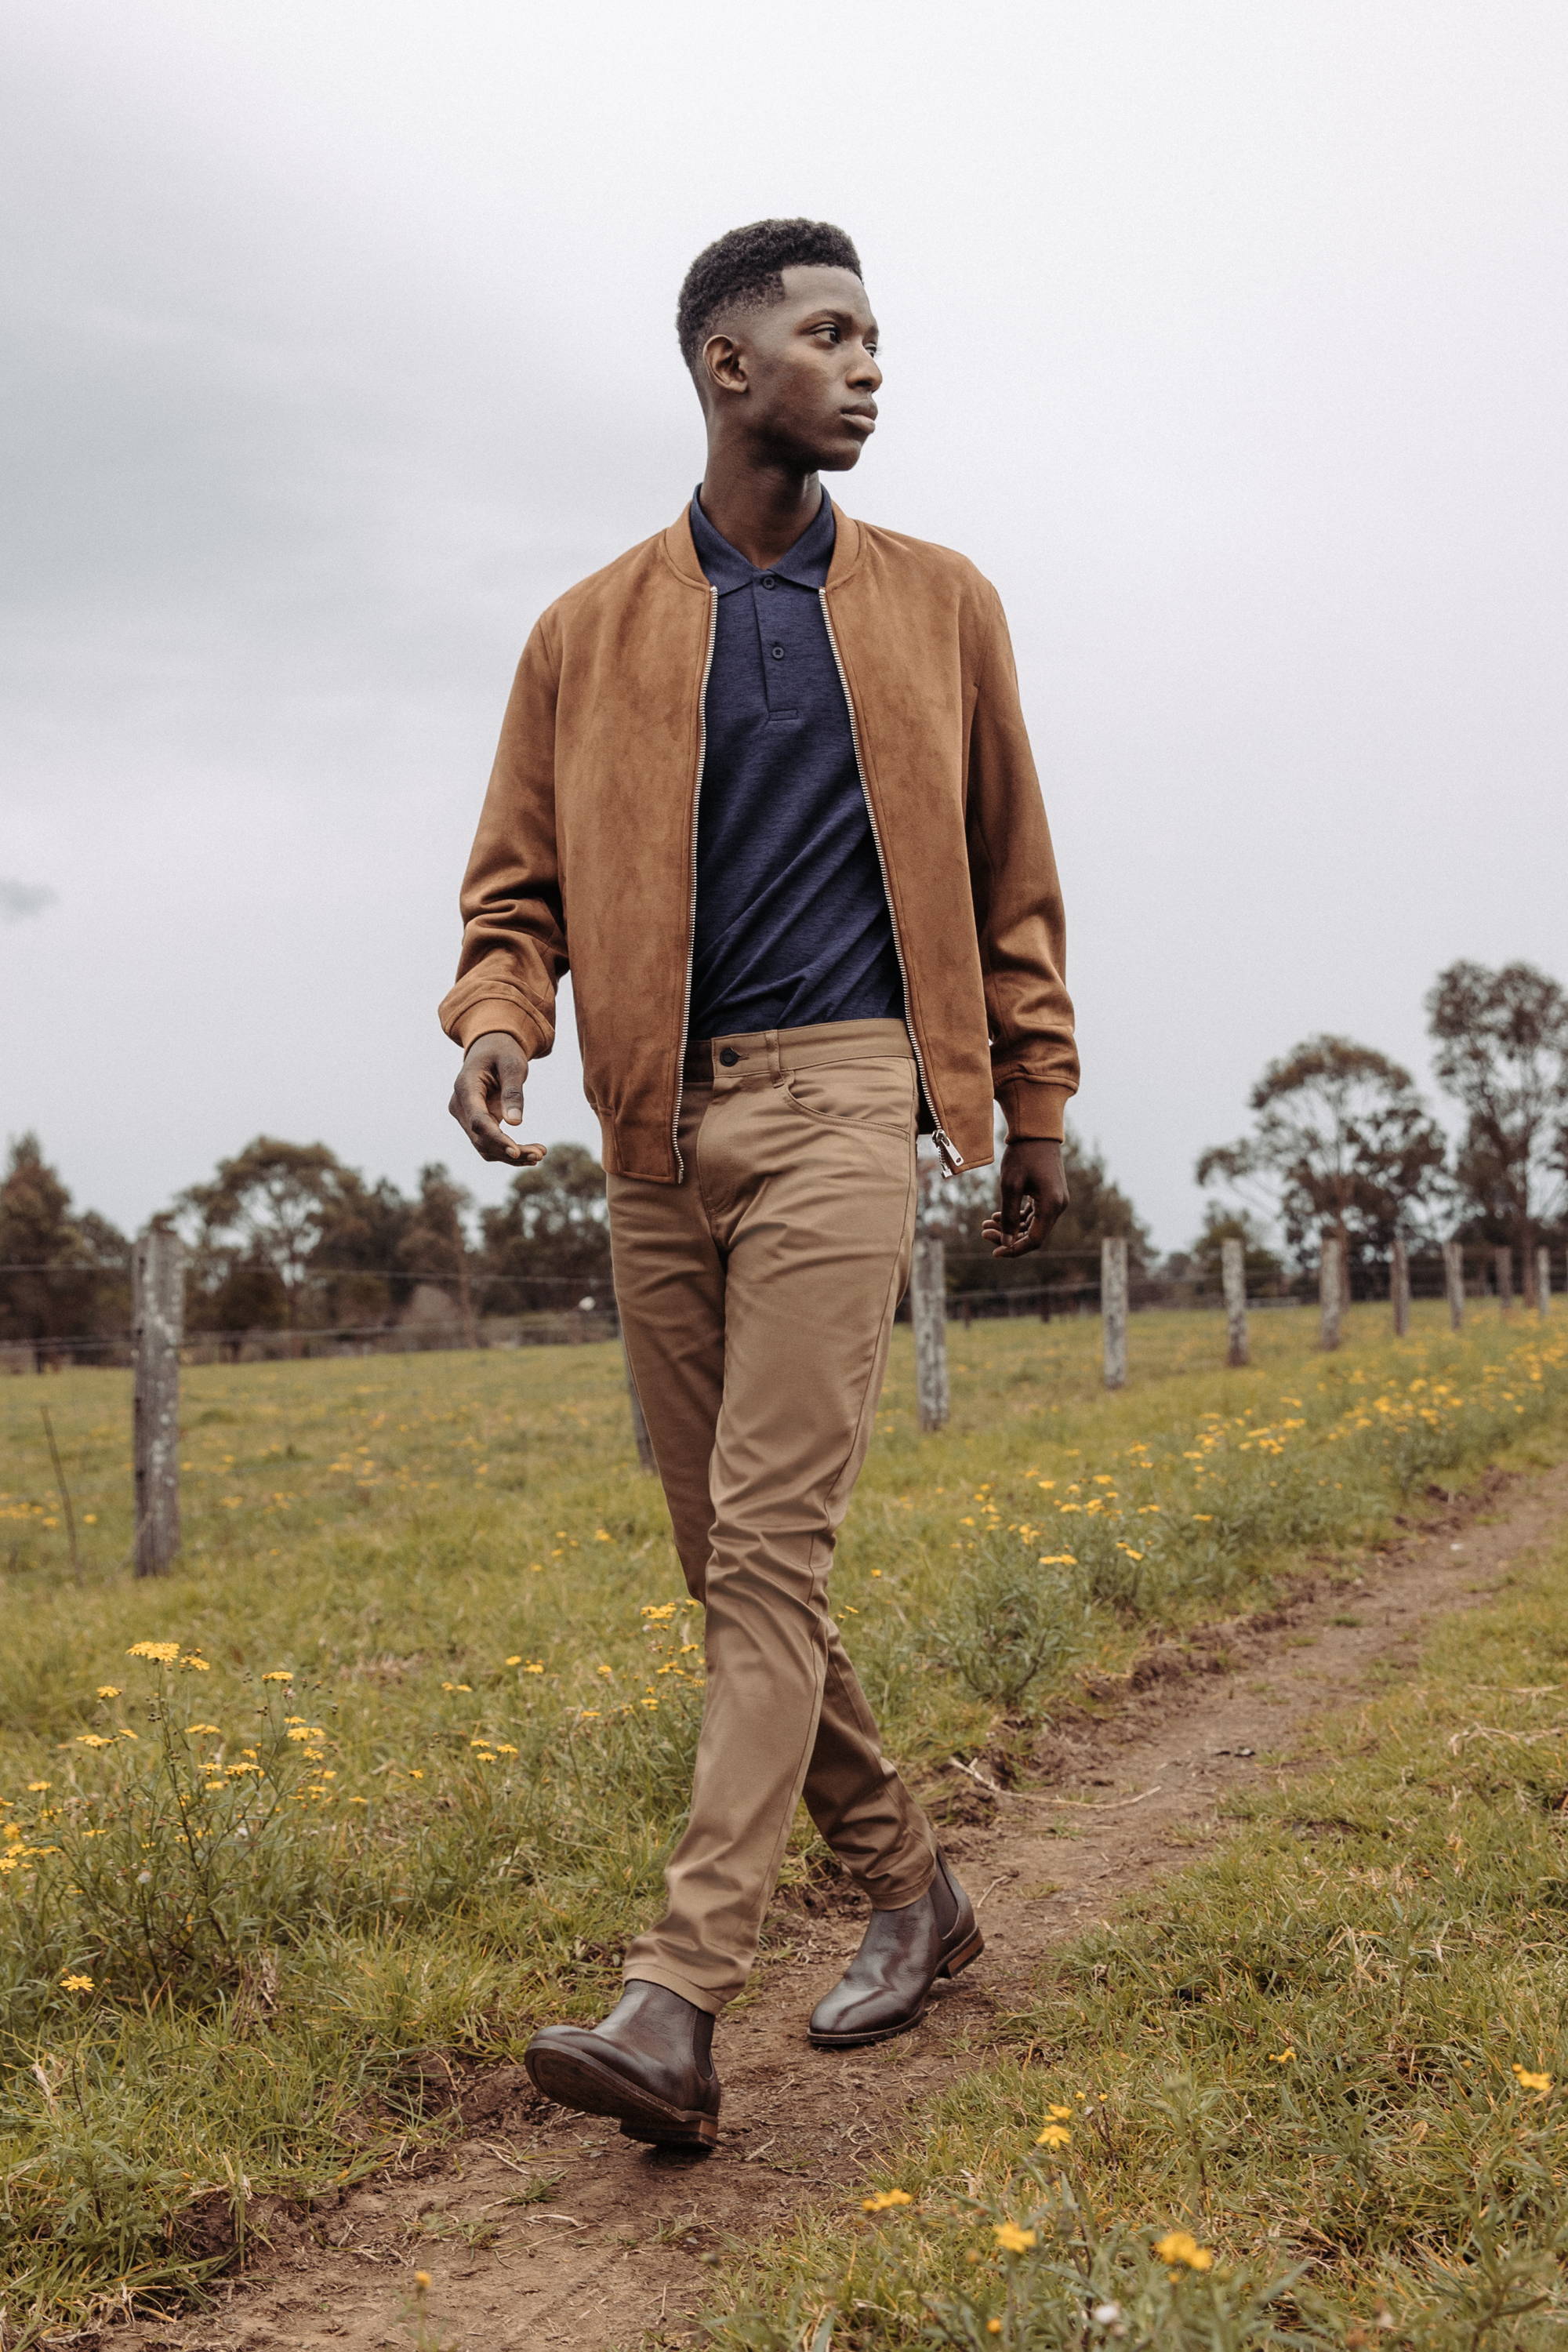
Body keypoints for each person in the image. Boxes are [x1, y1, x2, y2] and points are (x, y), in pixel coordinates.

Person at [441, 219, 1077, 2152]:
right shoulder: (586, 629)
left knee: (772, 1547)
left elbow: (1010, 869)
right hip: (653, 1136)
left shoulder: (944, 602)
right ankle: (912, 1893)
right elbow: (516, 887)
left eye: (876, 334)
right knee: (726, 1568)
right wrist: (498, 1018)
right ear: (731, 369)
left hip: (843, 1105)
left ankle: (674, 1996)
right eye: (831, 334)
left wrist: (1029, 1106)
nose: (870, 366)